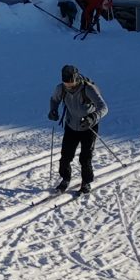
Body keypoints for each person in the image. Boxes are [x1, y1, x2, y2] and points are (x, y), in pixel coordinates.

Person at [48, 64, 107, 194]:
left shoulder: (88, 89)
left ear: (76, 78)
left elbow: (103, 107)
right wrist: (53, 110)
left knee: (85, 158)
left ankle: (86, 182)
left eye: (70, 82)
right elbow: (54, 100)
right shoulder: (61, 88)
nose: (68, 86)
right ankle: (65, 179)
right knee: (65, 156)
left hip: (89, 128)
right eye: (65, 83)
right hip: (71, 126)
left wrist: (92, 118)